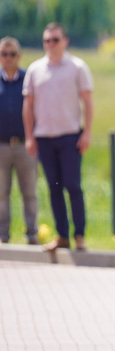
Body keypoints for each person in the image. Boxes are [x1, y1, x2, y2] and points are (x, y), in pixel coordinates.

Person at [22, 23, 93, 253]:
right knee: (54, 188)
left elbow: (88, 102)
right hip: (44, 137)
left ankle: (79, 235)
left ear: (65, 41)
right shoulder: (35, 69)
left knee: (72, 185)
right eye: (47, 40)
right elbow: (28, 104)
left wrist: (87, 132)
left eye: (55, 39)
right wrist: (29, 137)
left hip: (70, 136)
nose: (51, 44)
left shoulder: (77, 67)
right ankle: (62, 235)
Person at [0, 37, 39, 245]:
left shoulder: (29, 79)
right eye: (4, 54)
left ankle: (32, 234)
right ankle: (3, 235)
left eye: (12, 54)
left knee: (30, 193)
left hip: (25, 144)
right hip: (1, 145)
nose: (8, 58)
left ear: (19, 56)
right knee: (1, 195)